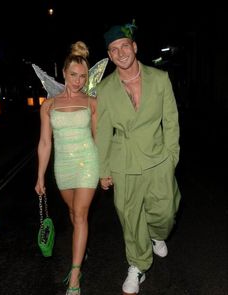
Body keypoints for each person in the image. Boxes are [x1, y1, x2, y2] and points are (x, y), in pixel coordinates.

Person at [96, 21, 181, 294]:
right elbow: (103, 132)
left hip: (158, 159)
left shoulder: (160, 79)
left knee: (166, 212)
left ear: (134, 46)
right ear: (109, 56)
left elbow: (171, 121)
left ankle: (157, 234)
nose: (120, 53)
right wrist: (103, 169)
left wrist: (171, 157)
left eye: (124, 46)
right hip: (124, 162)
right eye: (113, 50)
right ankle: (138, 264)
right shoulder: (106, 89)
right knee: (130, 217)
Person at [35, 41, 99, 295]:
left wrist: (105, 170)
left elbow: (98, 138)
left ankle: (75, 275)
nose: (78, 80)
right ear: (64, 73)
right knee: (74, 214)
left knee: (81, 215)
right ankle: (80, 250)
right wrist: (40, 176)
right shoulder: (48, 106)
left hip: (88, 163)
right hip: (63, 167)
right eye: (73, 75)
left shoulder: (92, 102)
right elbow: (44, 142)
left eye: (83, 76)